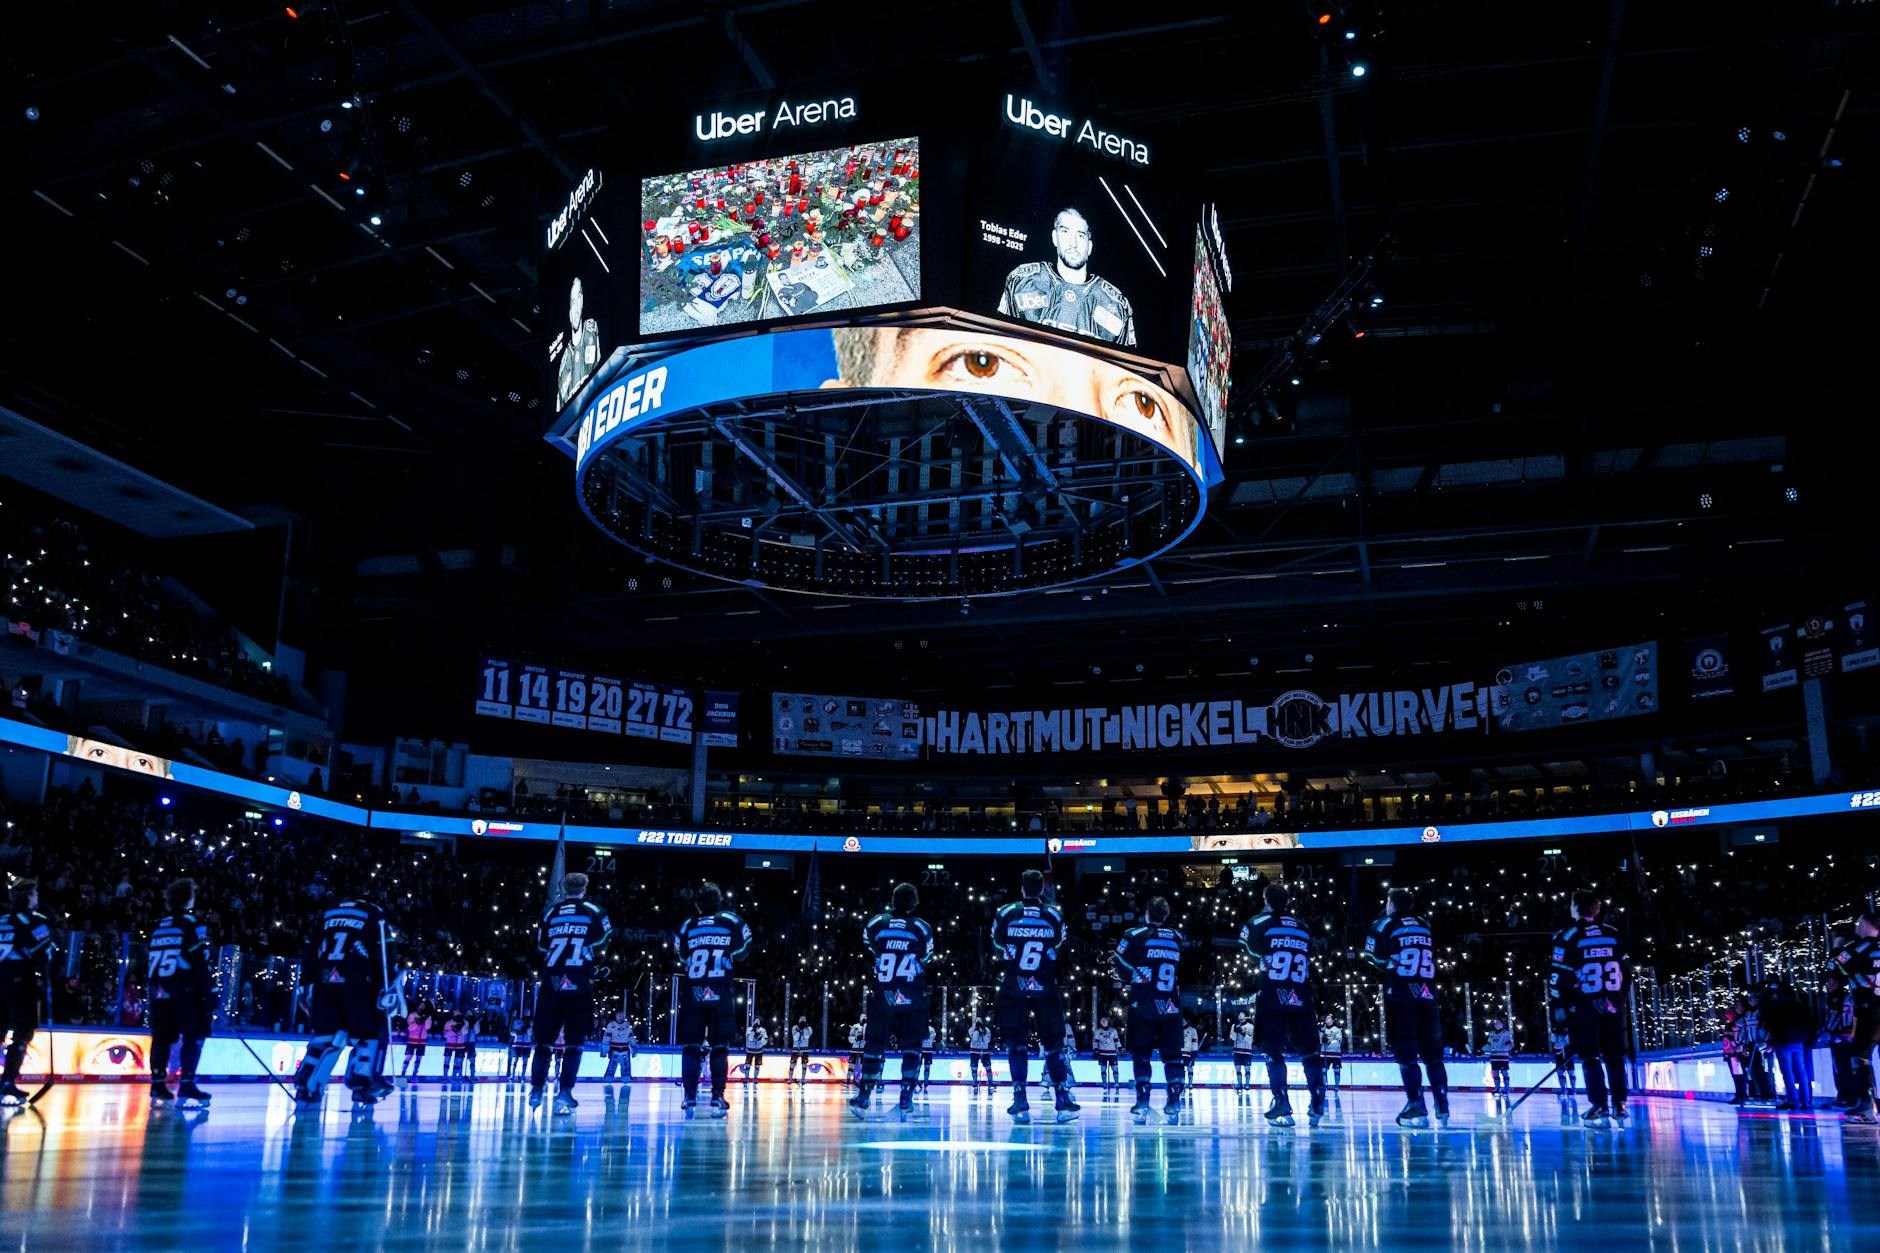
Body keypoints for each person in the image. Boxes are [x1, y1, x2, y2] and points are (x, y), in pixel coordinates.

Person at [291, 891, 399, 1106]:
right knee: (367, 1034)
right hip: (359, 983)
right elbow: (386, 953)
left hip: (324, 981)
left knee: (327, 1035)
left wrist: (305, 983)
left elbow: (310, 950)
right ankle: (362, 1084)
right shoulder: (374, 914)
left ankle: (307, 1084)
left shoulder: (328, 914)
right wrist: (388, 985)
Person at [991, 868, 1078, 1123]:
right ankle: (1062, 1100)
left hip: (1013, 984)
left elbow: (997, 946)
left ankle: (1020, 1101)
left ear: (1022, 887)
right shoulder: (1053, 915)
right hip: (1044, 983)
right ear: (1042, 889)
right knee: (1053, 1045)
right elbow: (1059, 947)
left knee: (1016, 1044)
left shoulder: (1006, 913)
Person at [1237, 883, 1327, 1127]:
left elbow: (1251, 951)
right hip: (1301, 995)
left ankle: (1281, 1101)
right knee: (1310, 1052)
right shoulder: (1302, 927)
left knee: (1272, 1051)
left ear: (1266, 899)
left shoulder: (1258, 923)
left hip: (1273, 995)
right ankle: (1318, 1101)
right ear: (1287, 901)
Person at [1360, 886, 1450, 1127]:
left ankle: (1415, 1103)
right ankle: (1442, 1104)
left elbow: (1374, 959)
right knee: (1433, 1056)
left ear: (1392, 904)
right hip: (1427, 993)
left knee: (1407, 1055)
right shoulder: (1424, 924)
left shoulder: (1385, 924)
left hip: (1400, 995)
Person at [1548, 889, 1632, 1127]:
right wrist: (1618, 998)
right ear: (1597, 908)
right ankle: (1620, 1106)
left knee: (1590, 1056)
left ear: (1575, 908)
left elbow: (1557, 977)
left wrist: (1559, 1008)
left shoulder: (1567, 936)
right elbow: (1626, 972)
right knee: (1615, 1056)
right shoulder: (1613, 933)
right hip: (1614, 1005)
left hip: (1585, 1006)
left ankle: (1599, 1106)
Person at [530, 872, 613, 1115]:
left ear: (563, 888)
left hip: (552, 980)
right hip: (579, 981)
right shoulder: (593, 911)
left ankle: (536, 1090)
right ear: (584, 888)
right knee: (575, 1043)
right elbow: (604, 941)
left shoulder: (550, 913)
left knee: (544, 1041)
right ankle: (565, 1092)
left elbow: (541, 946)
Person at [852, 882, 935, 1119]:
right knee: (912, 1045)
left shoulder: (876, 923)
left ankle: (864, 1096)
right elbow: (927, 956)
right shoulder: (921, 927)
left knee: (874, 1044)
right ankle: (906, 1097)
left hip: (884, 992)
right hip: (912, 993)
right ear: (914, 902)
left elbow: (869, 946)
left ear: (893, 900)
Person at [997, 207, 1137, 345]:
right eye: (1065, 232)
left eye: (1080, 235)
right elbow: (1000, 342)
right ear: (1054, 238)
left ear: (1090, 247)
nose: (1073, 243)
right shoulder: (1023, 281)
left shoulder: (1115, 303)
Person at [674, 881, 752, 1117]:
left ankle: (689, 1097)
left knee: (691, 1046)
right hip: (721, 992)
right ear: (719, 902)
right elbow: (744, 950)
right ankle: (718, 1097)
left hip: (694, 992)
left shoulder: (689, 924)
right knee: (720, 1047)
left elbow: (680, 954)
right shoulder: (731, 921)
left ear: (698, 904)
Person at [1113, 896, 1188, 1124]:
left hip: (1143, 1005)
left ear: (1147, 913)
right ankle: (1174, 1100)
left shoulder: (1135, 935)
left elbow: (1121, 965)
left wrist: (1133, 974)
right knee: (1173, 1057)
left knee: (1141, 1055)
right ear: (1165, 915)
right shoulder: (1177, 937)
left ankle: (1142, 1100)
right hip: (1170, 1005)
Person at [145, 878, 214, 1107]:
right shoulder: (192, 923)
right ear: (189, 898)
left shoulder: (158, 925)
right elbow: (199, 959)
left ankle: (157, 1084)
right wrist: (209, 991)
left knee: (161, 1038)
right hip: (185, 989)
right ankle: (186, 1085)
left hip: (158, 989)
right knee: (194, 1036)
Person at [0, 879, 53, 1103]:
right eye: (35, 893)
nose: (37, 897)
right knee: (24, 1030)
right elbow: (44, 953)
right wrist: (45, 978)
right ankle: (8, 1082)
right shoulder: (34, 921)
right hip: (19, 981)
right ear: (29, 897)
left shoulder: (3, 920)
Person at [1828, 910, 1880, 1123]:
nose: (1856, 926)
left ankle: (1867, 1108)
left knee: (1861, 1057)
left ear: (1866, 924)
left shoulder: (1861, 946)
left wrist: (1839, 948)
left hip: (1868, 1009)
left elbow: (1835, 966)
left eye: (1859, 922)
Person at [1761, 981, 1814, 1112]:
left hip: (1783, 1042)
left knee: (1787, 1072)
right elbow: (1808, 1022)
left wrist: (1772, 1041)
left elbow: (1772, 1024)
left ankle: (1792, 1100)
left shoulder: (1777, 1006)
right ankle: (1805, 1101)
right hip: (1799, 1041)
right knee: (1801, 1072)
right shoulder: (1799, 1005)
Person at [1823, 975, 1855, 1109]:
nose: (1828, 984)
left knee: (1842, 1068)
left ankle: (1846, 1096)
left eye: (1829, 980)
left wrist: (1830, 1032)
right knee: (1842, 1068)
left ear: (1836, 982)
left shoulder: (1838, 998)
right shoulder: (1842, 997)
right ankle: (1845, 1096)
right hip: (1840, 1037)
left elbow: (1836, 1016)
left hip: (1840, 1038)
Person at [1721, 1005, 1750, 1105]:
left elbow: (1733, 1038)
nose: (1726, 1014)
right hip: (1730, 1054)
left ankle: (1742, 1095)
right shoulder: (1729, 1025)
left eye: (1728, 1011)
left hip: (1735, 1054)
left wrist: (1736, 1048)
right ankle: (1739, 1095)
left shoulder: (1737, 1023)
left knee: (1739, 1075)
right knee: (1735, 1075)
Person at [400, 1003, 433, 1078]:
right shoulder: (412, 1015)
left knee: (419, 1058)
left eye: (424, 1006)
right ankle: (403, 1073)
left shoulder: (428, 1016)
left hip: (422, 1041)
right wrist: (417, 1022)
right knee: (408, 1057)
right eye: (421, 1005)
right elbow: (409, 1028)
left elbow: (427, 1027)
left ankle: (415, 1074)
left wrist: (426, 1018)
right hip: (412, 1040)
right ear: (417, 1006)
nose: (422, 1007)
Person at [601, 1010, 635, 1081]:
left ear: (623, 1016)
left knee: (626, 1065)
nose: (620, 1017)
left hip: (625, 1049)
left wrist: (633, 1047)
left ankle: (626, 1077)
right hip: (614, 1049)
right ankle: (609, 1077)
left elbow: (631, 1037)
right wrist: (604, 1049)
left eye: (621, 1015)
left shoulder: (627, 1025)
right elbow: (606, 1037)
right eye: (618, 1015)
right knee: (612, 1065)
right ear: (615, 1016)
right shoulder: (611, 1025)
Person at [1092, 1016, 1122, 1095]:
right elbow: (1095, 1041)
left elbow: (1117, 1040)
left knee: (1115, 1069)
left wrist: (1120, 1048)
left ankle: (1116, 1083)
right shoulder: (1098, 1031)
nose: (1103, 1022)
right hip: (1102, 1053)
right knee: (1103, 1069)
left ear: (1108, 1021)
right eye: (1102, 1020)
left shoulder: (1113, 1030)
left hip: (1112, 1053)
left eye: (1105, 1020)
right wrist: (1095, 1049)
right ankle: (1104, 1083)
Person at [1484, 1020, 1514, 1097]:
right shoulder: (1492, 1033)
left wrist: (1510, 1047)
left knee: (1504, 1072)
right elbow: (1489, 1044)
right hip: (1494, 1055)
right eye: (1496, 1023)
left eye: (1499, 1023)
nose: (1497, 1024)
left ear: (1502, 1024)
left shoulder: (1506, 1033)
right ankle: (1497, 1088)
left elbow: (1508, 1043)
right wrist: (1483, 1050)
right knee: (1495, 1072)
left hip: (1503, 1055)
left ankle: (1507, 1088)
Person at [1230, 1016, 1257, 1093]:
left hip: (1247, 1051)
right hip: (1237, 1051)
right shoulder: (1234, 1025)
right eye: (1239, 1017)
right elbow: (1233, 1038)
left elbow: (1251, 1040)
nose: (1241, 1019)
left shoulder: (1251, 1027)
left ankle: (1247, 1084)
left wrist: (1243, 1033)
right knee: (1237, 1068)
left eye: (1243, 1017)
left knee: (1247, 1069)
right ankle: (1239, 1084)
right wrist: (1235, 1030)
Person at [441, 1012, 470, 1082]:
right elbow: (445, 1034)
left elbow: (464, 1032)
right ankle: (445, 1076)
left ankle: (454, 1076)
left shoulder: (465, 1022)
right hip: (449, 1044)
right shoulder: (449, 1023)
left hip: (460, 1045)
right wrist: (453, 1031)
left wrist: (461, 1026)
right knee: (446, 1060)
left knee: (458, 1061)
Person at [967, 1019, 993, 1094]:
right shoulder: (972, 1030)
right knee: (974, 1067)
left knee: (988, 1067)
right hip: (974, 1050)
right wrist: (977, 1031)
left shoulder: (987, 1030)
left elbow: (987, 1040)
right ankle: (975, 1084)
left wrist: (983, 1032)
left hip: (984, 1050)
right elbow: (974, 1039)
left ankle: (990, 1084)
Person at [1320, 1017, 1344, 1094]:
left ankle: (1336, 1086)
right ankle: (1324, 1085)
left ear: (1332, 1020)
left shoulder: (1337, 1030)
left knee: (1337, 1070)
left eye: (1329, 1019)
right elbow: (1319, 1039)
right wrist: (1322, 1038)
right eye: (1326, 1019)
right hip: (1324, 1053)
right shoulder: (1322, 1030)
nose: (1327, 1020)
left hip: (1335, 1053)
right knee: (1323, 1070)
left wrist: (1329, 1041)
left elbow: (1339, 1041)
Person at [1550, 1025, 1575, 1098]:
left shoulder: (1569, 1032)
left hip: (1568, 1053)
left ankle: (1573, 1089)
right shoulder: (1556, 1032)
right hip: (1559, 1054)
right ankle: (1563, 1089)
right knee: (1560, 1072)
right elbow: (1553, 1040)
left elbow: (1570, 1041)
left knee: (1571, 1072)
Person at [788, 1016, 813, 1086]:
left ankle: (803, 1079)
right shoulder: (794, 1027)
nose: (802, 1020)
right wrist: (799, 1029)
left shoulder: (809, 1028)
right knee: (792, 1064)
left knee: (804, 1065)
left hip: (804, 1048)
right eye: (801, 1019)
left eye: (804, 1019)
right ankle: (790, 1079)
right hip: (796, 1048)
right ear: (798, 1020)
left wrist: (804, 1028)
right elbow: (795, 1038)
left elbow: (807, 1036)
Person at [846, 1019, 867, 1089]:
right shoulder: (855, 1026)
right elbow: (850, 1037)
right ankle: (848, 1079)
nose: (863, 1018)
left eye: (865, 1016)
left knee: (863, 1066)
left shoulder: (867, 1026)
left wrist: (864, 1038)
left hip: (863, 1049)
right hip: (855, 1049)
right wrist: (856, 1039)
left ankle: (863, 1080)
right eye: (862, 1016)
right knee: (851, 1065)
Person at [920, 1023, 938, 1092]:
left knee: (924, 1067)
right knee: (924, 1067)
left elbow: (932, 1038)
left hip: (925, 1050)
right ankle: (924, 1082)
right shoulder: (931, 1029)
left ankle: (925, 1082)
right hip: (924, 1050)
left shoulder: (930, 1029)